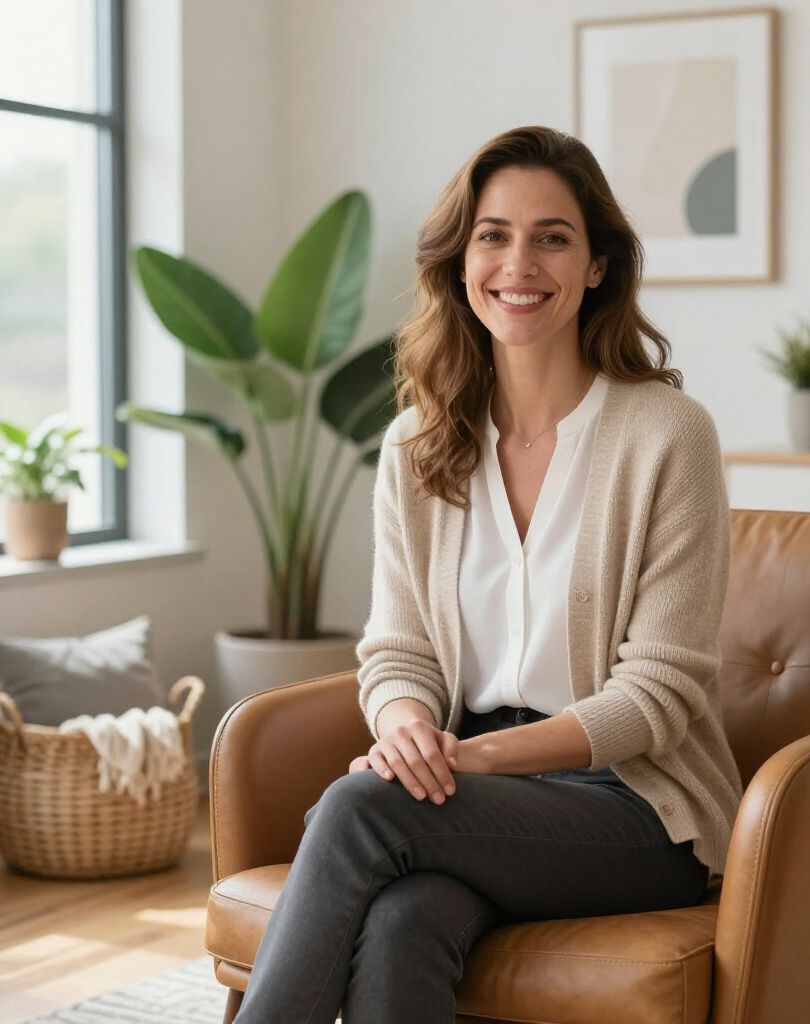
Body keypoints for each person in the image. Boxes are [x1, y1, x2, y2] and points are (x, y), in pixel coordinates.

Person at [233, 124, 744, 1024]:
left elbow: (657, 696)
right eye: (493, 236)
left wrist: (463, 760)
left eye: (553, 237)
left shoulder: (668, 435)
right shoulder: (418, 443)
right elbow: (398, 650)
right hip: (468, 789)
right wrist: (406, 733)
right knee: (405, 920)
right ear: (460, 262)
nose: (520, 263)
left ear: (596, 265)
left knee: (358, 811)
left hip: (632, 802)